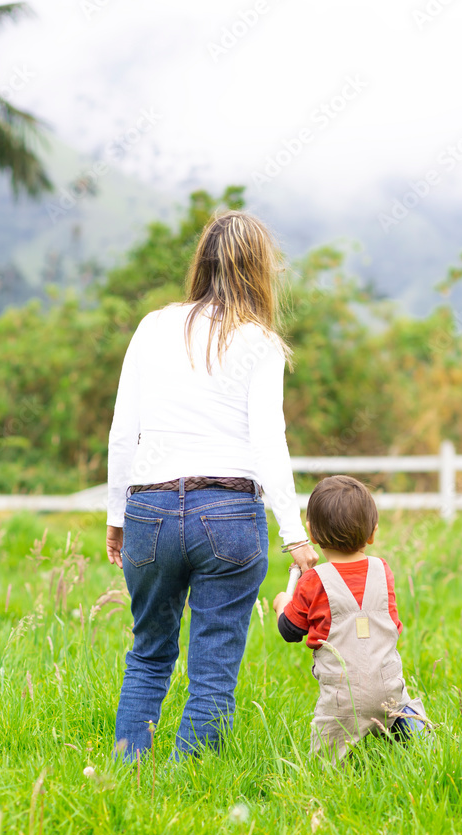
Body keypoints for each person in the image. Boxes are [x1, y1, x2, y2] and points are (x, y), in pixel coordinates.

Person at [106, 211, 317, 760]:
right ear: (260, 271)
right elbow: (269, 441)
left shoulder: (153, 325)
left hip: (148, 509)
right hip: (226, 513)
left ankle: (127, 784)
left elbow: (123, 431)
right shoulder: (260, 342)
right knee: (213, 671)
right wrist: (295, 535)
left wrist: (116, 515)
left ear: (201, 261)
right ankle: (188, 792)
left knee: (148, 656)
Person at [273, 475, 428, 761]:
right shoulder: (383, 570)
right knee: (400, 705)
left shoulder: (313, 581)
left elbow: (290, 630)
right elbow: (393, 625)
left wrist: (283, 603)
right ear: (372, 534)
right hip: (388, 683)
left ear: (312, 534)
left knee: (326, 765)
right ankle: (411, 731)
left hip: (342, 699)